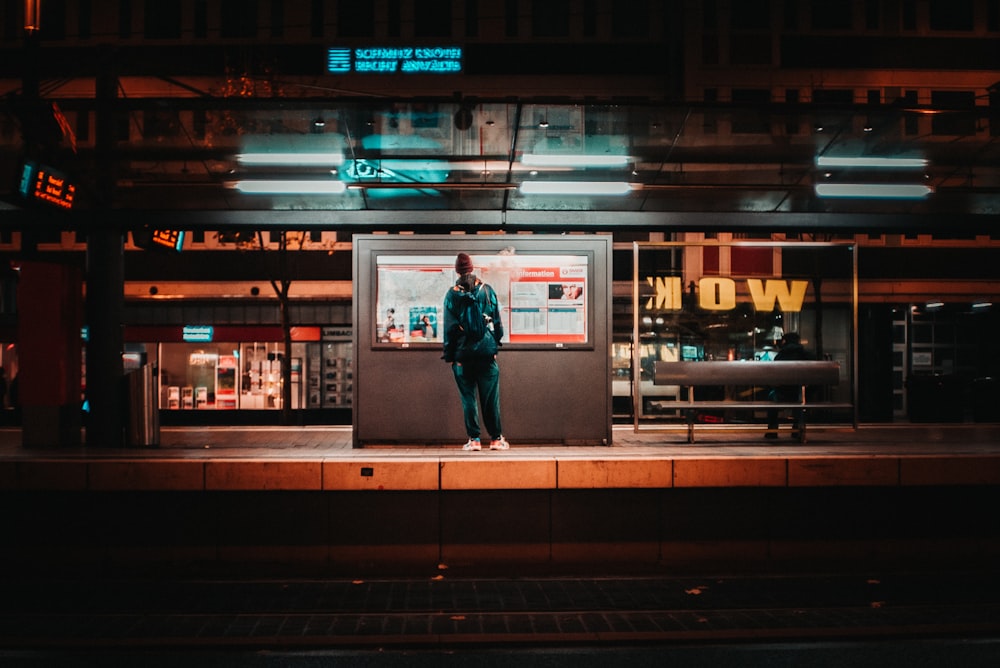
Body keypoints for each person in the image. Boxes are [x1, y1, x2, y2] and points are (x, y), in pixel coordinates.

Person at [442, 252, 509, 451]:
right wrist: (494, 346)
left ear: (457, 271)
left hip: (463, 355)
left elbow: (448, 329)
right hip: (486, 353)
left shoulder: (451, 295)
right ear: (472, 269)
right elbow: (497, 322)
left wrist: (451, 356)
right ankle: (496, 439)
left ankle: (475, 440)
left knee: (468, 399)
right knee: (490, 399)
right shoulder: (487, 291)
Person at [765, 332, 812, 438]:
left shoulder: (781, 355)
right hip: (799, 394)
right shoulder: (806, 355)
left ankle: (772, 429)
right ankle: (797, 428)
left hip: (782, 393)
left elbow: (774, 376)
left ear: (785, 341)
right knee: (801, 401)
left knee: (771, 397)